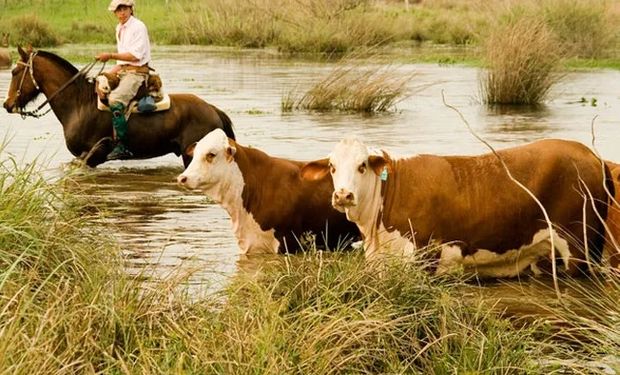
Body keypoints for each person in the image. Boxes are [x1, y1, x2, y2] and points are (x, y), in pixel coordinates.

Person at [96, 0, 151, 160]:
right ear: (114, 13)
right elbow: (122, 63)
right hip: (124, 71)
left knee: (115, 100)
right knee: (98, 85)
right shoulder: (119, 28)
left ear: (130, 9)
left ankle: (123, 145)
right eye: (118, 10)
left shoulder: (138, 26)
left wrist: (110, 55)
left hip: (137, 73)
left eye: (124, 9)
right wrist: (106, 74)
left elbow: (135, 56)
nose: (121, 13)